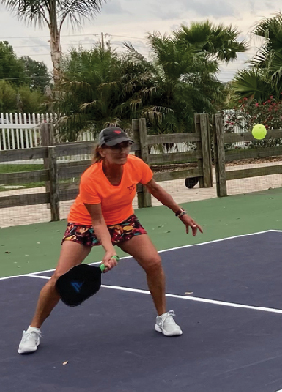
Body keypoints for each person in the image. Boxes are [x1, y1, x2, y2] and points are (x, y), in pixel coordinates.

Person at [18, 126, 203, 354]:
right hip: (85, 223)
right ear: (102, 151)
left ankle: (163, 317)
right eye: (116, 147)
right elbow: (97, 222)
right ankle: (33, 330)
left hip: (123, 220)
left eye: (126, 145)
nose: (122, 150)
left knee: (153, 262)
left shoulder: (135, 165)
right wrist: (109, 250)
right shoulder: (90, 178)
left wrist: (180, 212)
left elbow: (154, 188)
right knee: (59, 278)